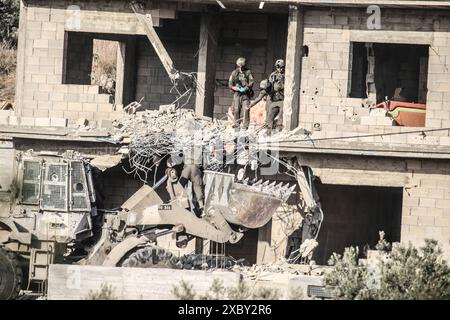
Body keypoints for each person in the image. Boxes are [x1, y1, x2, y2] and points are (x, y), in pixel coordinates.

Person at [249, 59, 285, 131]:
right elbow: (260, 96)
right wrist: (250, 105)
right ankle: (269, 129)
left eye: (281, 67)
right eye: (278, 67)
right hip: (273, 97)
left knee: (281, 114)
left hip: (282, 98)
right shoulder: (273, 75)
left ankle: (278, 128)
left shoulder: (286, 75)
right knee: (269, 115)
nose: (280, 69)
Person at [228, 57, 254, 130]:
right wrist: (234, 88)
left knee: (246, 109)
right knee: (236, 110)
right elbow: (230, 84)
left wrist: (246, 87)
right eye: (239, 65)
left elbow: (251, 82)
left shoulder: (248, 72)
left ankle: (245, 127)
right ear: (237, 65)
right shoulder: (234, 73)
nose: (241, 67)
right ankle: (237, 127)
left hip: (245, 94)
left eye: (242, 65)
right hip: (237, 94)